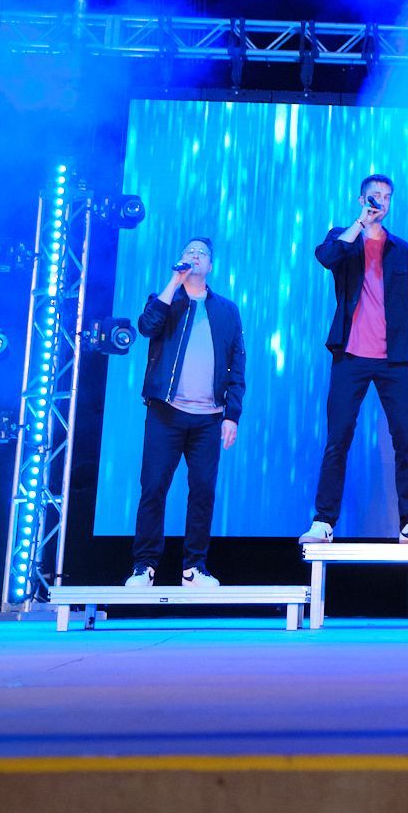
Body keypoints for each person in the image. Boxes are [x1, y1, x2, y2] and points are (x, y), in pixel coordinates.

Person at [299, 173, 408, 545]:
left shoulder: (401, 249)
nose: (381, 202)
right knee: (338, 437)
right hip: (351, 355)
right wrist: (360, 224)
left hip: (395, 359)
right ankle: (324, 521)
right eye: (374, 196)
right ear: (361, 199)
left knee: (405, 439)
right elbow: (326, 258)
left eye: (387, 197)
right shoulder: (343, 238)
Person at [125, 235, 245, 591]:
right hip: (166, 412)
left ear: (210, 265)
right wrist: (173, 283)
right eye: (189, 252)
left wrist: (231, 415)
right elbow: (147, 327)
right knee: (154, 488)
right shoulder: (166, 300)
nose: (195, 257)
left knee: (203, 490)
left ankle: (194, 568)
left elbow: (237, 363)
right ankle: (143, 566)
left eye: (202, 254)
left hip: (209, 416)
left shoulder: (226, 310)